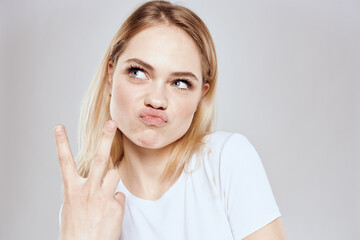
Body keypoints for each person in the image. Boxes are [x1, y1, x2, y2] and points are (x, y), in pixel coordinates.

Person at [54, 1, 287, 239]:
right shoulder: (88, 201)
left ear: (201, 95)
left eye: (180, 83)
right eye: (138, 72)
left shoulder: (227, 159)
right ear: (111, 74)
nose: (156, 100)